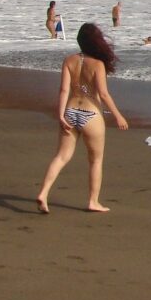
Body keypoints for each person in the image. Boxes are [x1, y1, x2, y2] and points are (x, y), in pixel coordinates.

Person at [36, 23, 129, 214]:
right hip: (91, 115)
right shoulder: (97, 64)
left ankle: (43, 193)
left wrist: (60, 114)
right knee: (95, 160)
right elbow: (103, 94)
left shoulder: (69, 60)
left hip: (70, 111)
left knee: (61, 157)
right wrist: (118, 116)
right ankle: (93, 201)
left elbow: (63, 90)